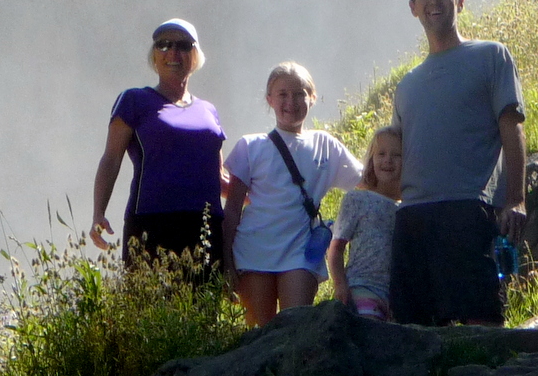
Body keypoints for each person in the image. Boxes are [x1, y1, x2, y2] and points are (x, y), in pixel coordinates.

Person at [389, 0, 527, 327]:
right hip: (412, 216)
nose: (434, 0)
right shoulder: (407, 85)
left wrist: (516, 198)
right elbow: (393, 156)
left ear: (460, 1)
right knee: (412, 332)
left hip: (468, 208)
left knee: (480, 321)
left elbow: (511, 128)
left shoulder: (490, 56)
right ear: (413, 7)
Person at [223, 62, 362, 326]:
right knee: (259, 336)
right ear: (270, 100)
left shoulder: (326, 145)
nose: (291, 101)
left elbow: (366, 182)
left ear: (313, 96)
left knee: (296, 328)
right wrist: (228, 262)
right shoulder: (250, 146)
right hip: (253, 251)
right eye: (283, 94)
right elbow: (231, 211)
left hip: (300, 251)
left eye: (299, 93)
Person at [90, 19, 226, 266]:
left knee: (203, 304)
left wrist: (271, 196)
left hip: (206, 226)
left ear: (195, 56)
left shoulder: (208, 111)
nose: (173, 52)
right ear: (154, 56)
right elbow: (111, 159)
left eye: (183, 45)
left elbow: (218, 177)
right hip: (152, 222)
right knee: (150, 304)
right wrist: (99, 212)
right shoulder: (134, 100)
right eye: (164, 45)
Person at [327, 126, 403, 321]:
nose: (388, 160)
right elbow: (336, 248)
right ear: (371, 159)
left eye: (397, 155)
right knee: (369, 335)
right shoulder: (357, 199)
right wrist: (340, 285)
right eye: (381, 154)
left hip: (397, 295)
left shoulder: (407, 208)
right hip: (362, 286)